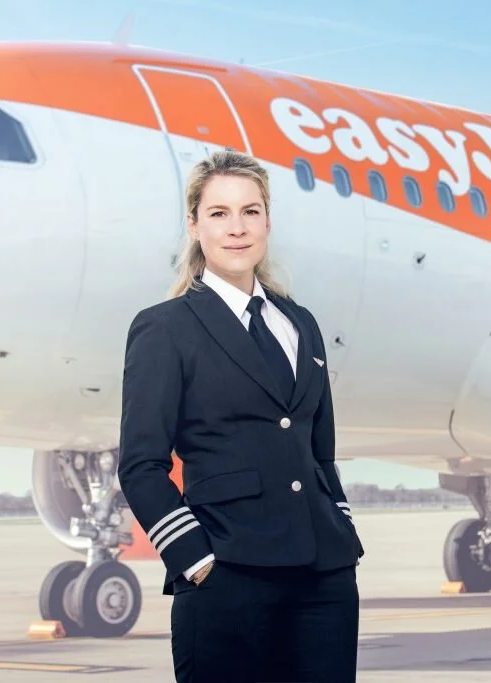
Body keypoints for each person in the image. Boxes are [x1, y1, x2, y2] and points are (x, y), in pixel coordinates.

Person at [117, 149, 364, 682]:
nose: (237, 228)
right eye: (219, 213)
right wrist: (194, 559)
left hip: (324, 578)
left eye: (250, 212)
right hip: (227, 573)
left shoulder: (300, 322)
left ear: (268, 222)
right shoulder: (166, 328)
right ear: (194, 225)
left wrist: (340, 527)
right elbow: (140, 464)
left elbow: (320, 452)